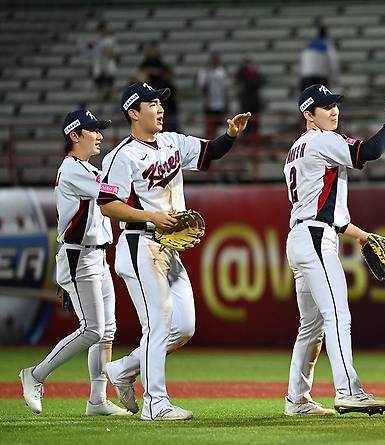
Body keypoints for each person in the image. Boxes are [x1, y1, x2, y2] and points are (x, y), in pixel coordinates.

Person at [96, 82, 250, 421]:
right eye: (151, 103)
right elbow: (107, 204)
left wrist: (231, 135)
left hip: (169, 246)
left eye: (160, 102)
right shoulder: (120, 156)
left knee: (183, 327)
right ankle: (155, 404)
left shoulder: (172, 141)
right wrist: (151, 215)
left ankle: (122, 369)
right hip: (140, 242)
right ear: (133, 113)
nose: (160, 108)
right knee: (159, 324)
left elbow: (209, 153)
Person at [283, 82, 385, 416]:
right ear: (308, 115)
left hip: (302, 235)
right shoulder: (325, 140)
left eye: (335, 104)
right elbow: (371, 151)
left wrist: (363, 236)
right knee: (337, 315)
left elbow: (325, 210)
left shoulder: (297, 147)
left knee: (311, 326)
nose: (334, 110)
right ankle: (348, 391)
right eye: (325, 107)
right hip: (313, 239)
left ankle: (297, 399)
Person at [19, 109, 131, 417]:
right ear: (74, 136)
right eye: (93, 130)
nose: (99, 135)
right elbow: (110, 193)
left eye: (99, 130)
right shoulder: (71, 168)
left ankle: (97, 400)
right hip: (78, 256)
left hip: (97, 254)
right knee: (93, 330)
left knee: (107, 330)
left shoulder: (85, 167)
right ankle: (35, 375)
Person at [198, 52, 229, 139]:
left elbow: (225, 88)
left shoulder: (222, 71)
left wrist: (226, 102)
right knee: (210, 125)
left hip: (220, 103)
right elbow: (203, 87)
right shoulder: (205, 72)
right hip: (210, 103)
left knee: (219, 125)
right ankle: (209, 141)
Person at [299, 26, 340, 91]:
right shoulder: (327, 45)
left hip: (306, 77)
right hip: (320, 77)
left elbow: (302, 63)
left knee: (306, 99)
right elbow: (333, 62)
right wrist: (335, 79)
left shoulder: (309, 45)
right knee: (322, 99)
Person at [235, 58, 265, 143]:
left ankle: (251, 139)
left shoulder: (254, 73)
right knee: (247, 121)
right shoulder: (246, 72)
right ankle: (247, 139)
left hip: (251, 100)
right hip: (247, 100)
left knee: (253, 121)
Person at [89, 23, 117, 100]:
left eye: (104, 29)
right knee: (98, 76)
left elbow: (112, 51)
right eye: (102, 30)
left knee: (110, 77)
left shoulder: (110, 39)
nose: (103, 31)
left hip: (108, 61)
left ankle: (112, 94)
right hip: (98, 61)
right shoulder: (95, 40)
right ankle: (100, 94)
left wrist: (109, 52)